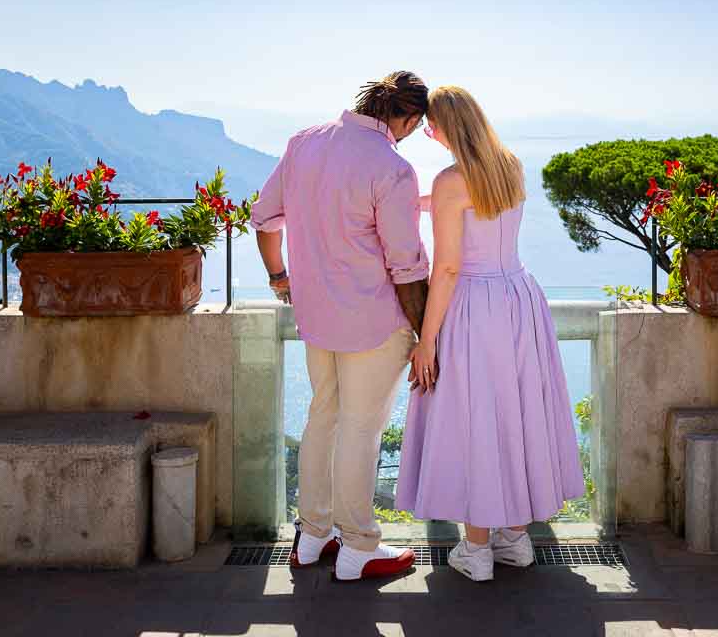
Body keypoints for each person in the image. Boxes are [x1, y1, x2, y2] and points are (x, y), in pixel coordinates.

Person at [395, 85, 586, 582]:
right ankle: (514, 541)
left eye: (430, 125)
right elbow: (468, 204)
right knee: (519, 412)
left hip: (474, 307)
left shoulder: (449, 181)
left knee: (474, 417)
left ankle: (476, 552)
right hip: (519, 299)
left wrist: (427, 339)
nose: (427, 131)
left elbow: (450, 268)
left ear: (445, 127)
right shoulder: (510, 166)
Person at [251, 71, 431, 581]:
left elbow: (264, 219)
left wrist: (279, 277)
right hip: (374, 322)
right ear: (409, 118)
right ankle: (358, 547)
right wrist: (425, 334)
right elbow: (407, 266)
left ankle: (312, 537)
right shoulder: (392, 167)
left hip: (316, 316)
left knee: (322, 419)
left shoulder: (304, 142)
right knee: (360, 429)